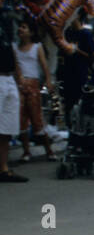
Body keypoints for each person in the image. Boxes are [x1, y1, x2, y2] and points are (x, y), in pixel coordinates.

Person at [13, 19, 58, 163]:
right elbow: (15, 67)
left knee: (36, 117)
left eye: (24, 27)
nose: (20, 29)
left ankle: (49, 150)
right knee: (21, 119)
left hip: (33, 84)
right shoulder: (14, 47)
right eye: (20, 26)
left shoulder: (37, 47)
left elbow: (44, 65)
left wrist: (48, 80)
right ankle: (26, 151)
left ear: (31, 32)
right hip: (19, 84)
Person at [0, 11, 26, 182]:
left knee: (7, 127)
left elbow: (11, 49)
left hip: (9, 77)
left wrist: (19, 78)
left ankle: (3, 168)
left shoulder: (4, 20)